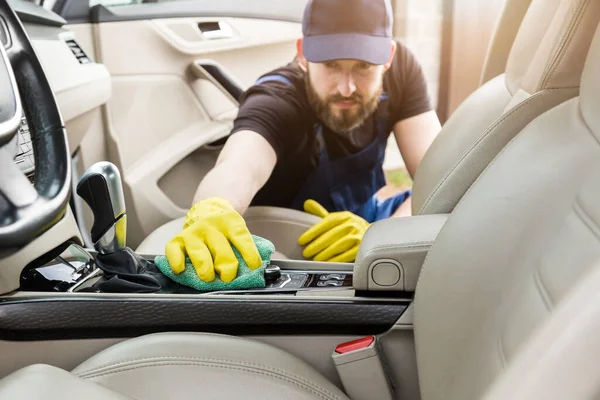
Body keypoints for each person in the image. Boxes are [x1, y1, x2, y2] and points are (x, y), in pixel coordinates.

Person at [166, 0, 442, 282]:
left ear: (388, 58)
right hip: (299, 241)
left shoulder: (402, 72)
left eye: (363, 66)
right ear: (302, 55)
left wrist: (382, 239)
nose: (346, 88)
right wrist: (214, 208)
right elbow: (240, 164)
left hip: (363, 221)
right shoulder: (277, 98)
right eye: (331, 64)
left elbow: (439, 178)